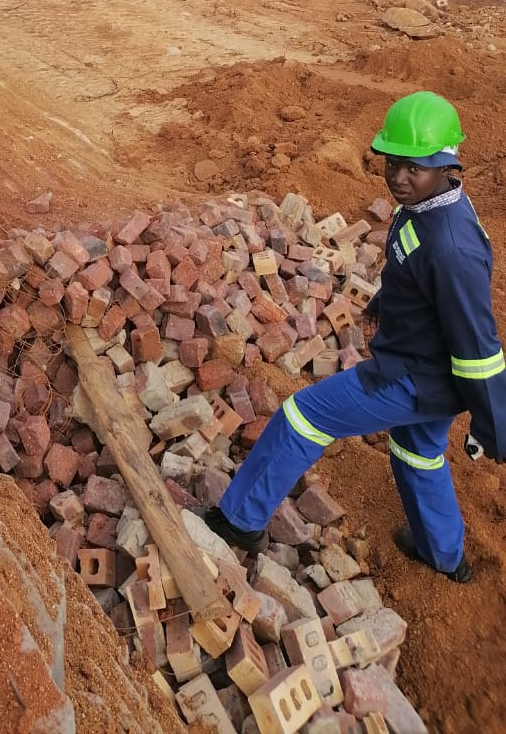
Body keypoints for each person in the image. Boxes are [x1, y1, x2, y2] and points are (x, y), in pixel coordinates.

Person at [206, 91, 505, 584]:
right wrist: (384, 305)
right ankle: (445, 555)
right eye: (393, 163)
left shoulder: (453, 248)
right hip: (423, 366)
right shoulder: (432, 202)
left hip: (414, 376)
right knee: (417, 452)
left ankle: (241, 521)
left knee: (302, 417)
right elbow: (415, 270)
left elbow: (479, 351)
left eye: (414, 168)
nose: (398, 178)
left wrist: (495, 427)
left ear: (447, 165)